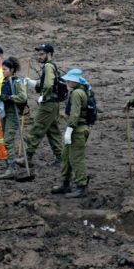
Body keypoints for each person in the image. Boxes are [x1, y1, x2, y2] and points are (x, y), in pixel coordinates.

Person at [21, 43, 64, 167]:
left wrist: (44, 95)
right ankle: (60, 158)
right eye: (38, 54)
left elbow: (49, 84)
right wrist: (33, 83)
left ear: (49, 54)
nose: (39, 56)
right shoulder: (51, 66)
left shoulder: (48, 66)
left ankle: (27, 157)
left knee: (37, 128)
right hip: (54, 104)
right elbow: (47, 82)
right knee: (53, 131)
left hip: (48, 103)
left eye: (41, 54)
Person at [51, 68, 90, 198]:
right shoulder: (81, 90)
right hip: (76, 128)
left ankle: (81, 186)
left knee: (76, 158)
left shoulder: (77, 93)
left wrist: (70, 128)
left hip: (77, 130)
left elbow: (75, 113)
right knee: (66, 156)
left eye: (69, 80)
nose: (67, 82)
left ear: (75, 81)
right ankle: (65, 184)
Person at [0, 57, 28, 180]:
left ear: (12, 70)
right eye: (2, 69)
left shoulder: (17, 82)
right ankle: (10, 166)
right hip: (5, 112)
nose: (2, 71)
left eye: (5, 69)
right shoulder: (4, 81)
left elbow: (23, 97)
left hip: (13, 113)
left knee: (8, 139)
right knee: (5, 139)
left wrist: (9, 98)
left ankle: (11, 169)